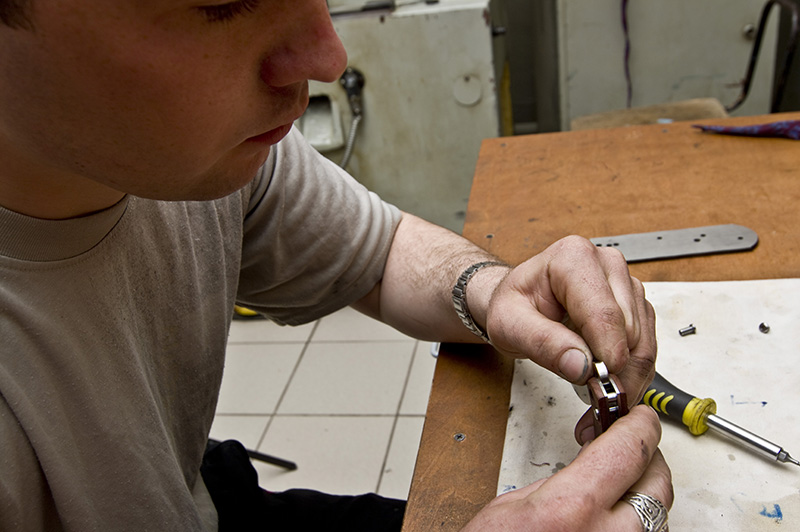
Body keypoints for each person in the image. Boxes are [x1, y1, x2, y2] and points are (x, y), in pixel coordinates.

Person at [0, 1, 672, 531]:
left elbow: (379, 254)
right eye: (222, 3)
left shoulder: (188, 155)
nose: (327, 56)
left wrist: (494, 291)